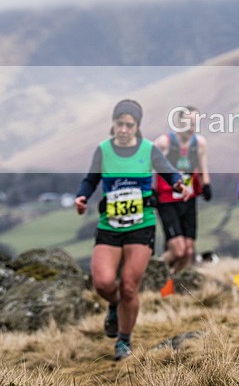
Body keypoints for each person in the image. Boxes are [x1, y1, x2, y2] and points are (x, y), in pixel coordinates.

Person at [74, 99, 188, 361]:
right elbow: (90, 180)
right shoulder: (103, 150)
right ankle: (114, 305)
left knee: (128, 287)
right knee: (103, 283)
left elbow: (168, 171)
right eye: (120, 124)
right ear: (113, 124)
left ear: (137, 127)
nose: (124, 129)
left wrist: (178, 184)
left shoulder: (148, 149)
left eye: (129, 125)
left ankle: (123, 341)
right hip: (110, 225)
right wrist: (82, 197)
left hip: (141, 225)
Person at [153, 106, 212, 273]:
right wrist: (150, 190)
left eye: (195, 123)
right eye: (188, 123)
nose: (192, 127)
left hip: (188, 199)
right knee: (178, 250)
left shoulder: (199, 143)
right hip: (167, 200)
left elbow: (202, 165)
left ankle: (174, 281)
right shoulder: (164, 142)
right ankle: (152, 271)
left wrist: (206, 184)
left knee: (188, 251)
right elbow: (148, 165)